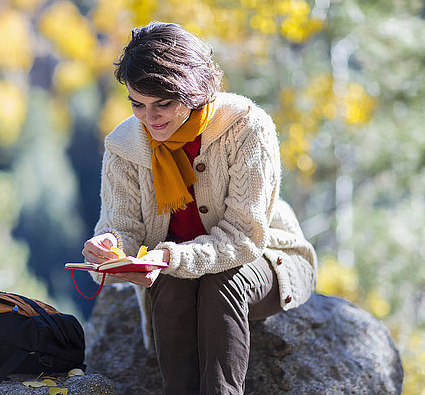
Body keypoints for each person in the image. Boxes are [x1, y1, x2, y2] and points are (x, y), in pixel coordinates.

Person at [81, 21, 317, 395]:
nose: (150, 118)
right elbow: (123, 226)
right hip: (175, 267)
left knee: (222, 281)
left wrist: (168, 258)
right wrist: (109, 246)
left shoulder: (245, 128)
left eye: (164, 104)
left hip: (266, 257)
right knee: (174, 283)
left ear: (195, 91)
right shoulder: (124, 146)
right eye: (138, 104)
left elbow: (244, 238)